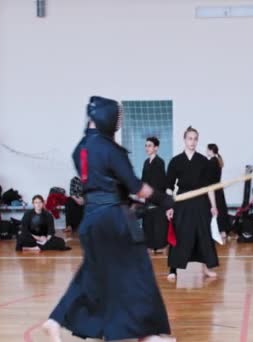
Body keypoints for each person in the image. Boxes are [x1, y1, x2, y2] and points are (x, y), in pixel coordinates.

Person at [43, 96, 176, 342]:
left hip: (91, 220)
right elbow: (136, 186)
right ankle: (145, 334)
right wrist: (163, 199)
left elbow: (102, 187)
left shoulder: (79, 149)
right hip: (112, 221)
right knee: (137, 272)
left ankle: (55, 319)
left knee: (92, 275)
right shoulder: (110, 149)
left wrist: (130, 205)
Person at [166, 126, 219, 280]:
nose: (192, 141)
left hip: (201, 202)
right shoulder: (176, 161)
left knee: (203, 234)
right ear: (184, 140)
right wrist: (169, 206)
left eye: (195, 139)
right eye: (190, 138)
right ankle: (173, 269)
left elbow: (210, 186)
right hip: (182, 201)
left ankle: (206, 268)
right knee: (180, 233)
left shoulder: (204, 161)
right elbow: (169, 187)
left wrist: (213, 206)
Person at [141, 137, 169, 253]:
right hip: (148, 197)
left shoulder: (160, 162)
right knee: (148, 221)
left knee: (159, 222)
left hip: (157, 197)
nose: (147, 148)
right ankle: (150, 245)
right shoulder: (146, 162)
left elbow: (161, 182)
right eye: (146, 145)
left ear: (156, 148)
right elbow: (144, 180)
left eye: (150, 145)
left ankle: (161, 245)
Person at [206, 143, 232, 239]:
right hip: (218, 188)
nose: (206, 152)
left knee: (214, 209)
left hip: (212, 189)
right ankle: (222, 231)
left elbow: (208, 178)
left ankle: (218, 231)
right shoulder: (218, 161)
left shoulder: (212, 162)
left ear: (210, 150)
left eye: (207, 150)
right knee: (221, 209)